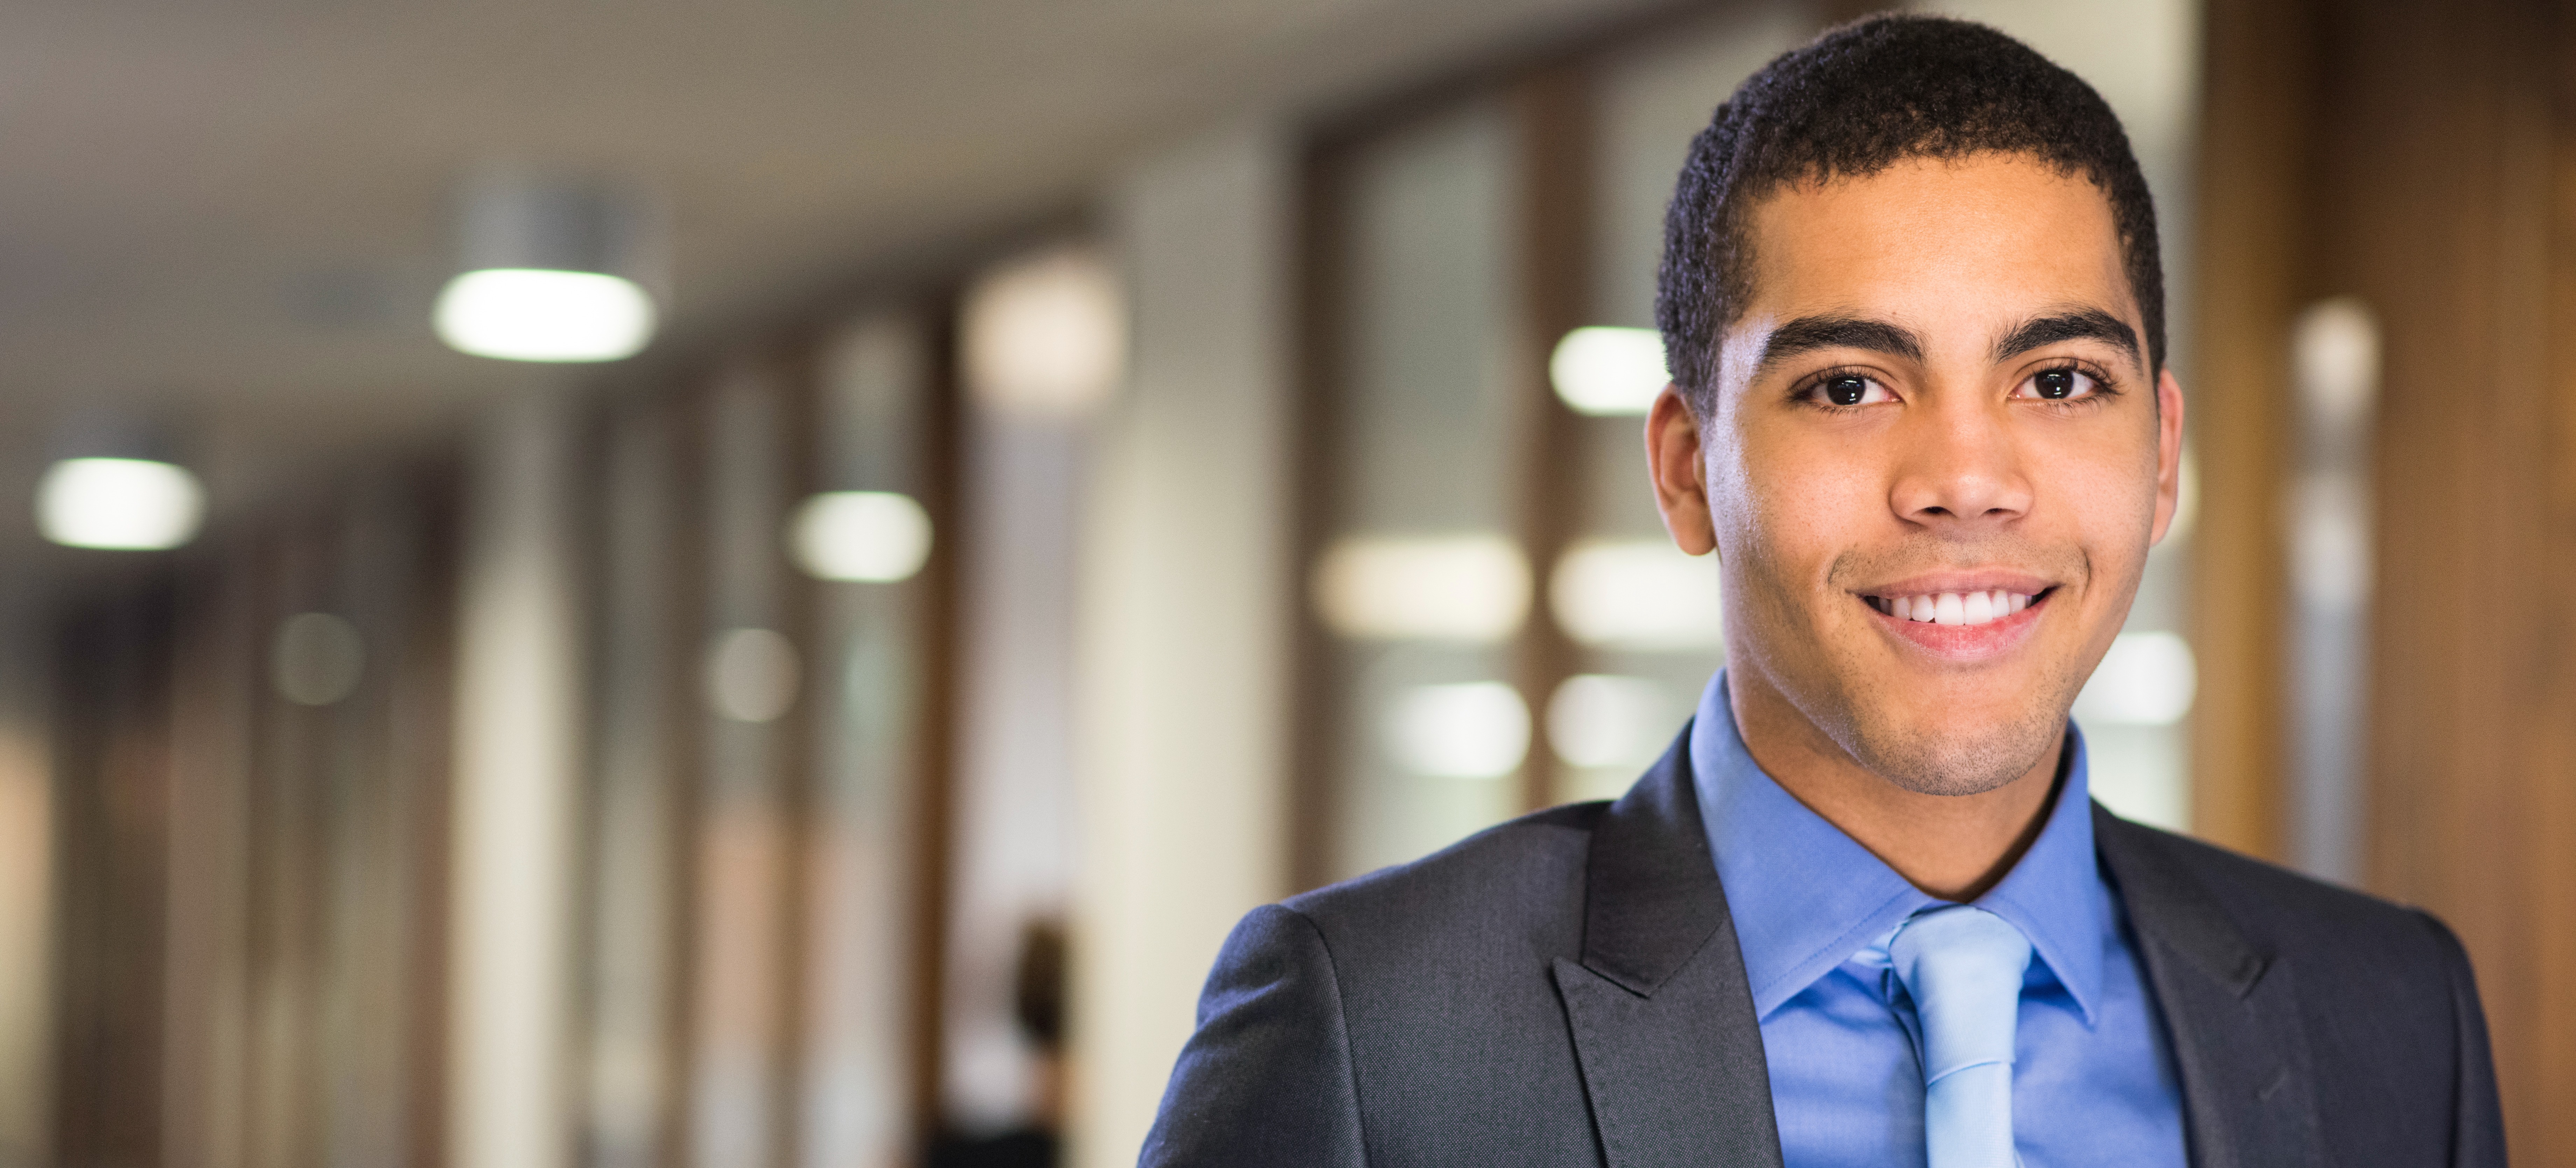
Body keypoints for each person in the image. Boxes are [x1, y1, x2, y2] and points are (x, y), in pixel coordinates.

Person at [1140, 15, 2504, 1168]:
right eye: (1849, 386)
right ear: (1685, 470)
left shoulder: (2386, 1015)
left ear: (2159, 456)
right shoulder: (1374, 1031)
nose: (1966, 481)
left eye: (2058, 381)